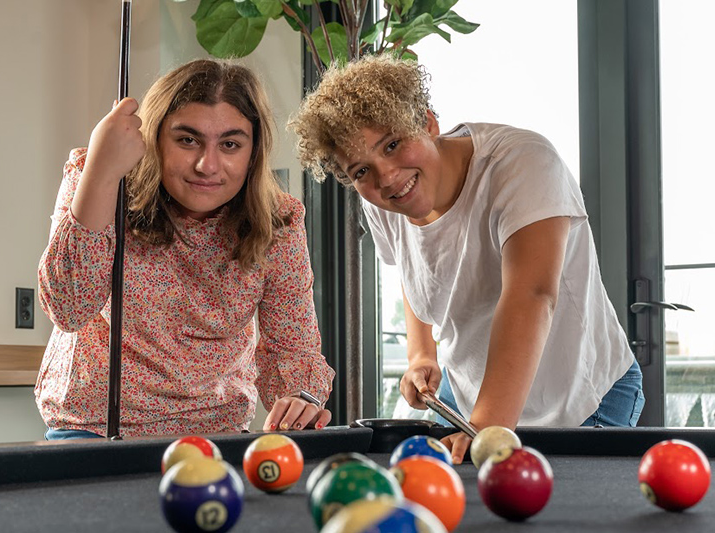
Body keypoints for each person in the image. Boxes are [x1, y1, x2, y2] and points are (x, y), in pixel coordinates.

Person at [289, 54, 643, 463]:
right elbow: (413, 269)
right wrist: (421, 354)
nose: (386, 176)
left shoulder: (523, 162)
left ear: (427, 123)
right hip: (475, 405)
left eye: (392, 144)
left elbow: (532, 294)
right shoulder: (383, 200)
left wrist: (487, 426)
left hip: (582, 398)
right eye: (361, 170)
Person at [36, 59, 334, 439]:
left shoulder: (279, 224)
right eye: (187, 140)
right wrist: (102, 170)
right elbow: (68, 308)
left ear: (253, 153)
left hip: (218, 433)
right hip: (95, 431)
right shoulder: (100, 180)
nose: (207, 165)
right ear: (155, 138)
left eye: (230, 144)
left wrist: (301, 397)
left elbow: (294, 350)